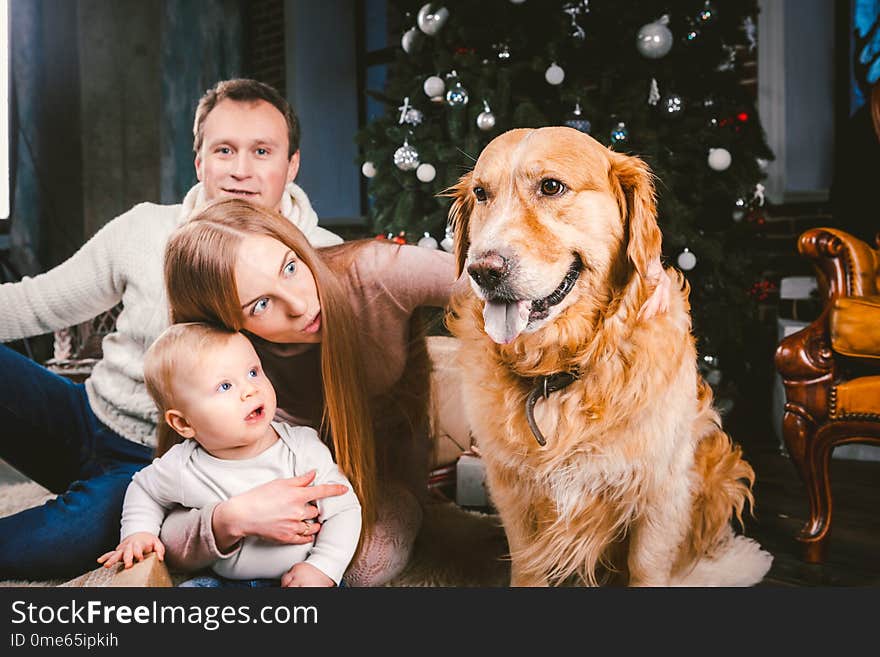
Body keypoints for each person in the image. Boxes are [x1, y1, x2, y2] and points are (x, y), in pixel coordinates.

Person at [157, 197, 672, 587]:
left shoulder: (375, 275)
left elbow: (500, 281)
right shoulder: (208, 363)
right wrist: (226, 521)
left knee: (365, 566)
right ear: (226, 325)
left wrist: (643, 270)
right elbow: (167, 517)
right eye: (261, 305)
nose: (299, 302)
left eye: (291, 267)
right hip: (263, 489)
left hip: (379, 479)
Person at [0, 78, 343, 580]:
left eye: (262, 151)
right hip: (83, 414)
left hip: (165, 464)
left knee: (70, 539)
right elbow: (34, 303)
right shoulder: (144, 229)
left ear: (291, 165)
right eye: (224, 149)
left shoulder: (320, 258)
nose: (241, 170)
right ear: (200, 160)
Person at [98, 323, 360, 587]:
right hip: (221, 582)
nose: (250, 389)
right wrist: (138, 532)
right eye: (225, 386)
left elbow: (344, 508)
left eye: (253, 372)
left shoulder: (302, 447)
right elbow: (144, 489)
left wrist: (323, 566)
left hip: (302, 575)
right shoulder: (183, 465)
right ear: (183, 424)